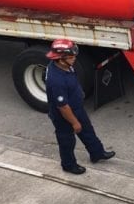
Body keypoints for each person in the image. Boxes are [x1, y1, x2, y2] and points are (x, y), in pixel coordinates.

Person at [45, 39, 115, 175]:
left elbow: (72, 81)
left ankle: (97, 153)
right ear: (60, 59)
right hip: (64, 115)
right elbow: (63, 106)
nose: (74, 58)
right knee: (67, 141)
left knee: (88, 130)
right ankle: (69, 165)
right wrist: (74, 122)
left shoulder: (65, 66)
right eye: (71, 57)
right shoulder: (56, 80)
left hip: (76, 107)